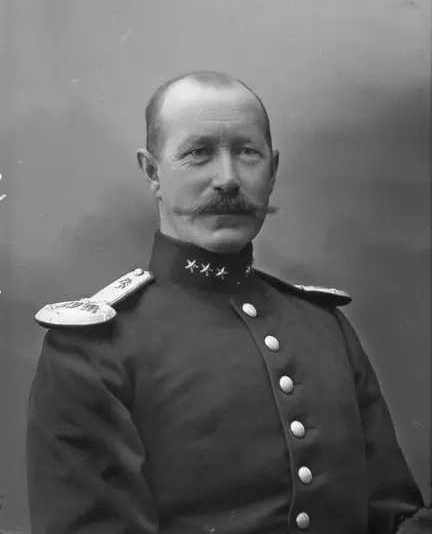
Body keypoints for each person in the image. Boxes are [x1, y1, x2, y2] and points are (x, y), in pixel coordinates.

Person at [27, 71, 424, 534]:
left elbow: (392, 513)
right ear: (153, 172)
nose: (229, 179)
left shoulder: (325, 327)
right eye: (198, 153)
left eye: (248, 153)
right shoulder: (92, 350)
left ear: (273, 170)